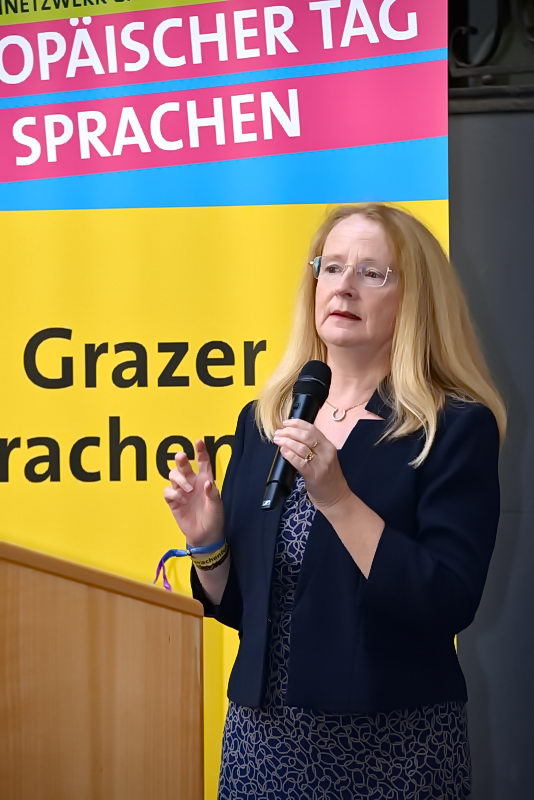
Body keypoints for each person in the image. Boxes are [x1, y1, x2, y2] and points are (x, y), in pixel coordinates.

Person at [163, 203, 507, 799]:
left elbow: (446, 601)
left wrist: (339, 499)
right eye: (332, 266)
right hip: (264, 745)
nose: (344, 285)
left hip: (393, 746)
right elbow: (242, 609)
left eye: (372, 272)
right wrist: (207, 542)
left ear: (415, 298)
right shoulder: (265, 421)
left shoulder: (451, 428)